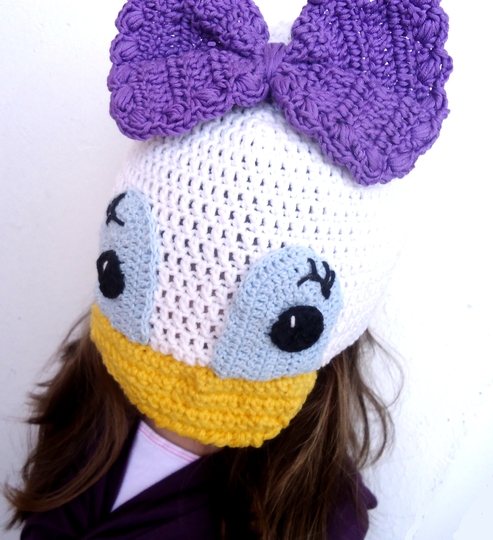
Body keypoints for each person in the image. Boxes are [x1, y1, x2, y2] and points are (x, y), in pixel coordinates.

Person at [5, 0, 452, 538]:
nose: (177, 363)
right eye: (116, 274)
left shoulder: (315, 518)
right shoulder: (85, 405)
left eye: (290, 327)